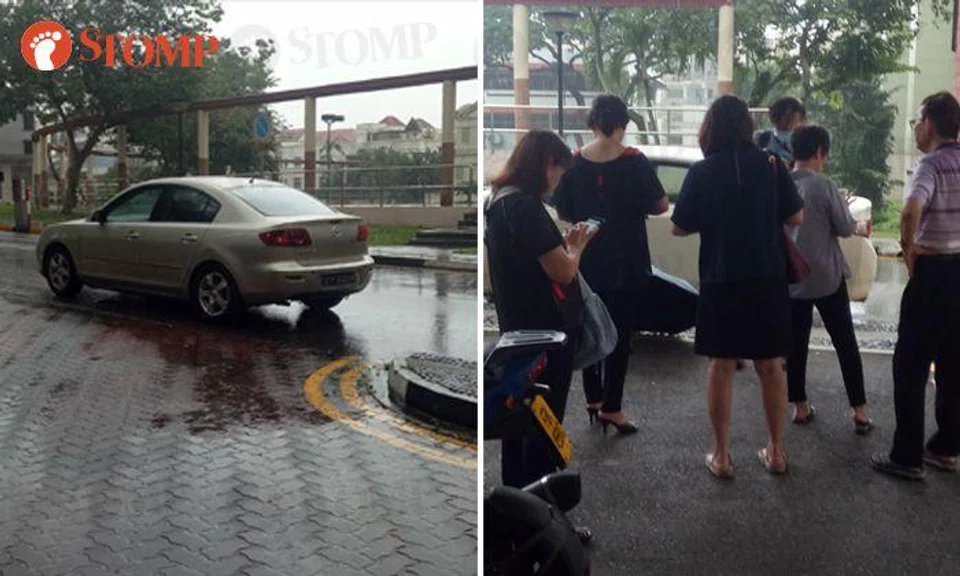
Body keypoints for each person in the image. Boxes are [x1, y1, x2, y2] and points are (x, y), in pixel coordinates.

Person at [671, 95, 804, 478]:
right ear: (747, 126)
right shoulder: (772, 165)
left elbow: (680, 225)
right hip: (767, 276)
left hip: (720, 276)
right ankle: (777, 452)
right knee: (770, 365)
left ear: (710, 127)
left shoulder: (703, 171)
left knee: (722, 365)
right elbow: (795, 214)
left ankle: (722, 456)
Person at [485, 129, 597, 489]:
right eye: (558, 171)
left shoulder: (498, 201)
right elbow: (563, 271)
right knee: (542, 428)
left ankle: (516, 511)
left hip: (517, 334)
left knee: (517, 426)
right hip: (546, 336)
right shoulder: (526, 207)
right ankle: (542, 514)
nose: (557, 181)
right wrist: (576, 246)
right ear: (544, 164)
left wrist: (560, 246)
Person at [552, 95, 669, 436]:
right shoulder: (634, 161)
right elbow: (661, 204)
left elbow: (562, 211)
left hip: (585, 259)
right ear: (622, 125)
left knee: (589, 325)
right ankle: (613, 407)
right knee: (618, 333)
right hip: (627, 259)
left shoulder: (573, 163)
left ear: (591, 125)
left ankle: (592, 398)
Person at [872, 92, 960, 480]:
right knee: (954, 362)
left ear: (929, 122)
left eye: (916, 122)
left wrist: (908, 252)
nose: (915, 130)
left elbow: (910, 211)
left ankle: (907, 455)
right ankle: (946, 447)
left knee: (910, 365)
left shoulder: (931, 165)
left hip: (933, 276)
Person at [786, 124, 873, 433]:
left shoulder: (781, 183)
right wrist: (845, 212)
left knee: (796, 345)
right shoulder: (823, 186)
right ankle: (859, 411)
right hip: (826, 277)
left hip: (792, 279)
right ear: (820, 152)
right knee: (845, 343)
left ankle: (799, 407)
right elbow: (846, 227)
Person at [756, 96, 806, 168]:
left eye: (792, 115)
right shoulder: (762, 138)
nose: (788, 119)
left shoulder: (804, 142)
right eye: (786, 115)